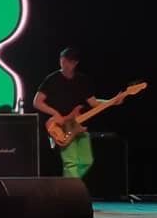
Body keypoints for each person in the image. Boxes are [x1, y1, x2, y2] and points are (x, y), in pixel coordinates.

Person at [33, 46, 123, 179]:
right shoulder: (52, 79)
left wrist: (112, 101)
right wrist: (55, 114)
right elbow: (37, 102)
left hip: (78, 124)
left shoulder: (82, 80)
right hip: (62, 126)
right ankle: (70, 189)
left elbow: (93, 103)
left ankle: (69, 184)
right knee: (71, 163)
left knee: (87, 161)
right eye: (62, 61)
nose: (64, 64)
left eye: (68, 62)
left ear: (75, 63)